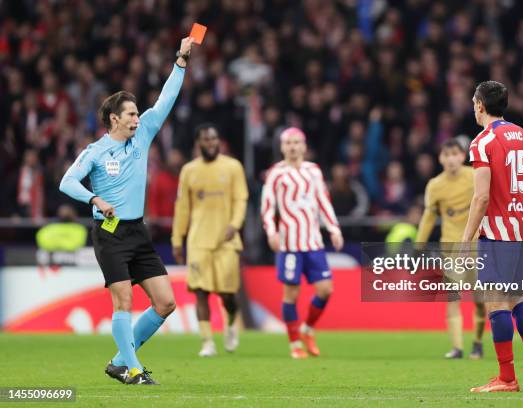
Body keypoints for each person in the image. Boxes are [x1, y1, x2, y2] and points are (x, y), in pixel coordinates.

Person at [59, 37, 195, 385]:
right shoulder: (95, 151)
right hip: (110, 233)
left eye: (137, 113)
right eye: (132, 113)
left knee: (165, 303)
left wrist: (180, 60)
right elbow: (67, 182)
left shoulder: (144, 135)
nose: (138, 117)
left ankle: (120, 360)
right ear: (114, 119)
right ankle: (133, 370)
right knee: (123, 301)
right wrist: (94, 199)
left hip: (137, 231)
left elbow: (166, 99)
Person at [462, 81, 523, 392]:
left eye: (474, 101)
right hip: (522, 232)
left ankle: (507, 378)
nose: (473, 106)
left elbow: (481, 198)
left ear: (481, 106)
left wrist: (465, 239)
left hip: (496, 236)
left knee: (495, 304)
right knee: (517, 300)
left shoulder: (482, 142)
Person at [261, 127, 344, 359]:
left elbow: (323, 202)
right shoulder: (276, 173)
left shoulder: (313, 171)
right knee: (291, 294)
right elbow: (267, 206)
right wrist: (271, 231)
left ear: (304, 146)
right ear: (282, 147)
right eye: (289, 143)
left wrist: (334, 229)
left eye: (297, 142)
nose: (293, 147)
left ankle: (307, 329)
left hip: (314, 243)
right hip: (289, 246)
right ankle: (295, 343)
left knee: (326, 289)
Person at [172, 125, 248, 357]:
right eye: (206, 139)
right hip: (198, 241)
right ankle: (207, 342)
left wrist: (234, 225)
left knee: (228, 296)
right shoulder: (189, 171)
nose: (211, 143)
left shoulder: (233, 167)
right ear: (198, 144)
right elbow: (182, 207)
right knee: (201, 292)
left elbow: (241, 198)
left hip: (226, 241)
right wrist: (177, 239)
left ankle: (231, 323)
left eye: (214, 138)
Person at [415, 138, 486, 360]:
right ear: (440, 159)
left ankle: (477, 342)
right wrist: (419, 245)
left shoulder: (475, 176)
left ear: (462, 156)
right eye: (446, 155)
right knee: (453, 297)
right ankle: (457, 348)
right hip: (451, 248)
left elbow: (488, 202)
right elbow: (428, 217)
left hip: (477, 246)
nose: (451, 159)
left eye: (455, 154)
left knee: (480, 300)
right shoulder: (435, 186)